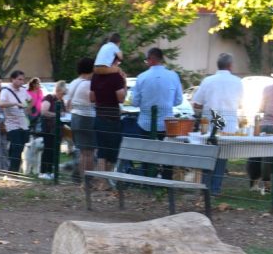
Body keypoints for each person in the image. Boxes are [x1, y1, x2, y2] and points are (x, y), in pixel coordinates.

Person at [192, 53, 244, 195]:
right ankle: (216, 188)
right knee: (222, 156)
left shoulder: (208, 80)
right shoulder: (238, 81)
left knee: (208, 154)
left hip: (210, 120)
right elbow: (240, 104)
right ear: (230, 66)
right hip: (228, 123)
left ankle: (205, 185)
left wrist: (207, 108)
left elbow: (196, 103)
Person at [130, 47, 183, 178]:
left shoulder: (142, 77)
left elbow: (135, 102)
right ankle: (166, 179)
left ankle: (148, 179)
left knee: (147, 153)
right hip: (167, 124)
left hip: (145, 123)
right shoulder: (173, 76)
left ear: (150, 59)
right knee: (167, 154)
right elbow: (178, 100)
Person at [89, 63, 126, 180]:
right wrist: (124, 83)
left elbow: (91, 98)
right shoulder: (116, 76)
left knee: (101, 151)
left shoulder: (95, 76)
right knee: (113, 151)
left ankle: (102, 181)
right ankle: (107, 180)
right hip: (112, 118)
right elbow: (121, 98)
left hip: (99, 116)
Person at [65, 57, 96, 181]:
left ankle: (83, 179)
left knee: (83, 151)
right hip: (87, 118)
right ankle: (88, 179)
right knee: (89, 152)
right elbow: (94, 100)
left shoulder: (73, 82)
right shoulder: (88, 84)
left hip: (75, 117)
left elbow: (68, 104)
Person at [0, 69, 32, 173]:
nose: (22, 82)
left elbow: (30, 100)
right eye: (19, 79)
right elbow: (1, 103)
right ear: (12, 79)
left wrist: (28, 108)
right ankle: (12, 171)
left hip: (23, 123)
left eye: (23, 80)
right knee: (16, 146)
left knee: (20, 147)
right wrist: (15, 104)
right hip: (12, 123)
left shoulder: (23, 90)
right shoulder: (5, 90)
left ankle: (14, 170)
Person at [37, 80, 66, 179]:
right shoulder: (49, 98)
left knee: (55, 151)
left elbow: (64, 112)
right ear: (57, 90)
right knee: (48, 150)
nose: (63, 96)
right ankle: (44, 171)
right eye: (62, 93)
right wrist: (57, 115)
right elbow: (44, 112)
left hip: (58, 130)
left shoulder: (61, 101)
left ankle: (52, 171)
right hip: (48, 129)